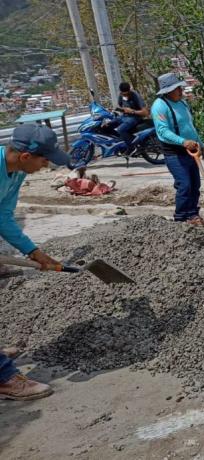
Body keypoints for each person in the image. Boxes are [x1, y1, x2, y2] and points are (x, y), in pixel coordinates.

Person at [0, 124, 70, 400]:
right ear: (26, 156)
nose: (47, 165)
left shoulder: (15, 174)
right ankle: (5, 379)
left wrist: (33, 252)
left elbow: (3, 215)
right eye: (45, 160)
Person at [151, 73, 204, 227]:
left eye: (180, 87)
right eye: (177, 88)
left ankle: (193, 214)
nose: (180, 91)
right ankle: (181, 217)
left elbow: (190, 128)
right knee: (184, 185)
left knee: (195, 184)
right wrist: (183, 142)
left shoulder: (182, 104)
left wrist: (202, 146)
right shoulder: (160, 106)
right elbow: (163, 131)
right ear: (167, 91)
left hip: (191, 150)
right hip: (175, 153)